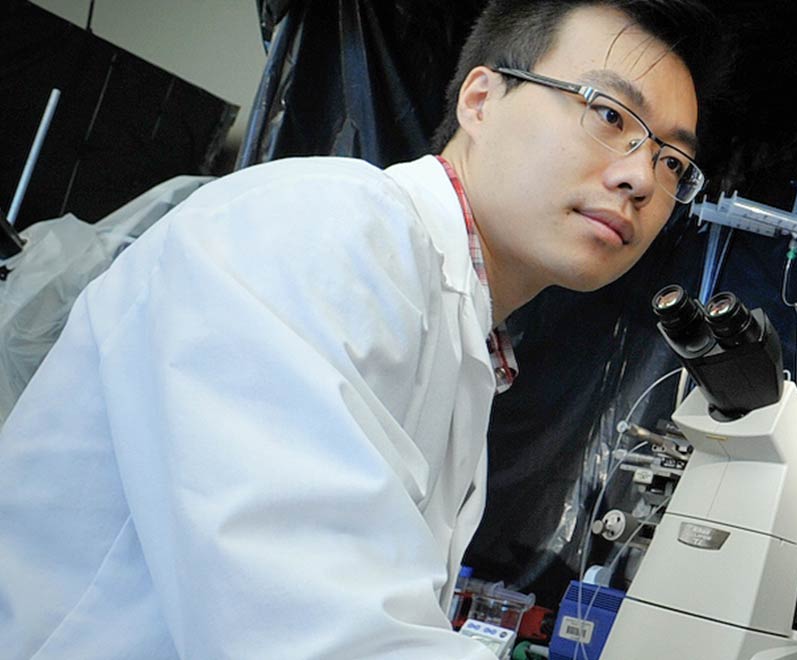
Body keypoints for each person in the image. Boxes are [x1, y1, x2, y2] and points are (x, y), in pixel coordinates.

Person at [0, 0, 727, 656]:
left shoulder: (461, 328)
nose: (641, 179)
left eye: (672, 160)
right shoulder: (326, 231)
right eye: (608, 114)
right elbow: (316, 631)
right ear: (481, 99)